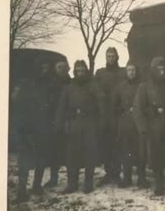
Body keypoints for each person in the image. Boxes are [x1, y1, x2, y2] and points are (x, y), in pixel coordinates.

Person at [55, 60, 105, 194]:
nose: (80, 73)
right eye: (78, 71)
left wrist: (100, 121)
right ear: (75, 72)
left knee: (89, 155)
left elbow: (101, 102)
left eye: (83, 71)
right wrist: (60, 124)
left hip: (89, 124)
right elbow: (61, 107)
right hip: (73, 125)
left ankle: (88, 183)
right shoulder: (68, 87)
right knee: (72, 156)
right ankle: (72, 183)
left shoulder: (93, 86)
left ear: (86, 71)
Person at [134, 57, 165, 196]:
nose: (162, 72)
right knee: (156, 157)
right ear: (153, 70)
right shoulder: (144, 87)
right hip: (153, 127)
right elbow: (138, 109)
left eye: (163, 69)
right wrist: (143, 128)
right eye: (158, 69)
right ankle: (159, 184)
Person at [12, 59, 53, 202]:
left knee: (40, 159)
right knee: (24, 161)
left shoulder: (48, 84)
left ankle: (36, 185)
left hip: (42, 128)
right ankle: (21, 191)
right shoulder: (25, 84)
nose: (45, 71)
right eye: (42, 68)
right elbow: (16, 103)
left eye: (47, 68)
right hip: (26, 128)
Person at [94, 47, 126, 185]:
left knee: (117, 144)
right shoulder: (100, 73)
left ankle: (117, 173)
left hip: (117, 115)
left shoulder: (123, 72)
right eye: (108, 56)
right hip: (104, 115)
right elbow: (95, 91)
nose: (111, 58)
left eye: (113, 56)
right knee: (106, 145)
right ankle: (108, 173)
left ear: (117, 57)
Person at [111, 60, 144, 188]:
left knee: (140, 151)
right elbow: (114, 105)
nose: (131, 73)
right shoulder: (120, 87)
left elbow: (146, 103)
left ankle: (141, 178)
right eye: (129, 70)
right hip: (125, 124)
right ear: (126, 71)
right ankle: (127, 177)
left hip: (139, 123)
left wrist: (138, 110)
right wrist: (123, 110)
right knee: (126, 150)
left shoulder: (142, 86)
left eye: (133, 70)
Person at [43, 57, 71, 188]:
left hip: (68, 121)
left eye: (65, 67)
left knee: (69, 151)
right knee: (54, 150)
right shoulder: (50, 84)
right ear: (55, 69)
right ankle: (54, 178)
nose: (62, 70)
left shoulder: (72, 83)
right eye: (59, 67)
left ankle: (72, 179)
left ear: (68, 69)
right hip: (53, 121)